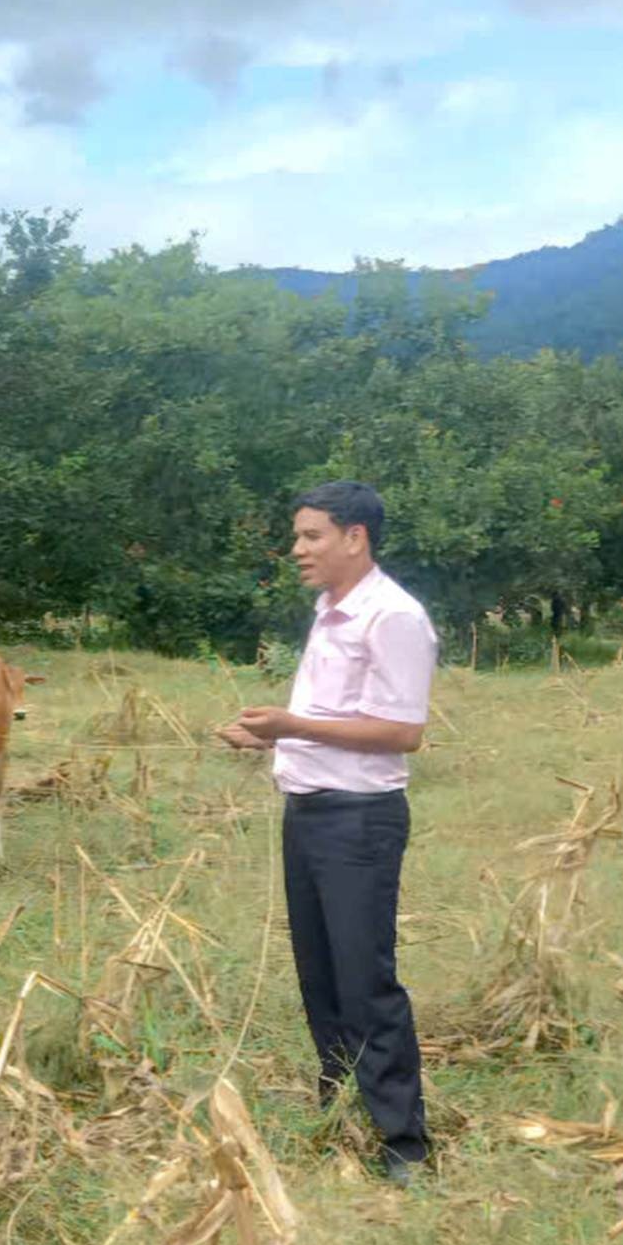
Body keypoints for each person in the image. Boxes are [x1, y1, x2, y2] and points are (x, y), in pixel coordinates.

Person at [218, 481, 439, 1186]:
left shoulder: (392, 616)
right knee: (318, 972)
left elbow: (402, 731)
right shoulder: (329, 611)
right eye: (298, 536)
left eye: (311, 535)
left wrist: (292, 726)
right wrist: (269, 739)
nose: (297, 549)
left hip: (358, 820)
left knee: (364, 977)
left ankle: (403, 1141)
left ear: (355, 537)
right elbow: (337, 714)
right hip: (307, 810)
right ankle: (338, 1104)